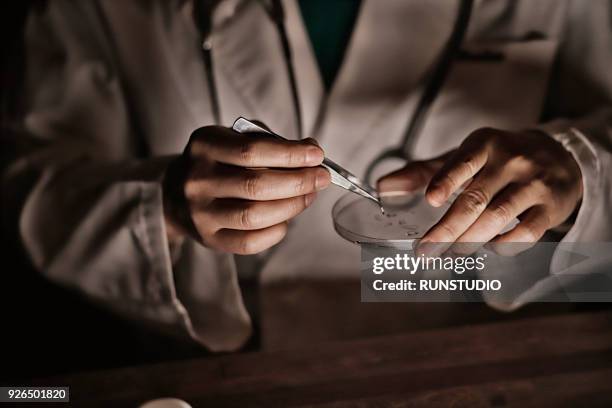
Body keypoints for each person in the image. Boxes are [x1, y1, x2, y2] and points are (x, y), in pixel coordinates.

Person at [3, 0, 611, 351]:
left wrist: (581, 169)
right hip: (228, 369)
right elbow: (35, 191)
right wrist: (165, 204)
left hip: (491, 355)